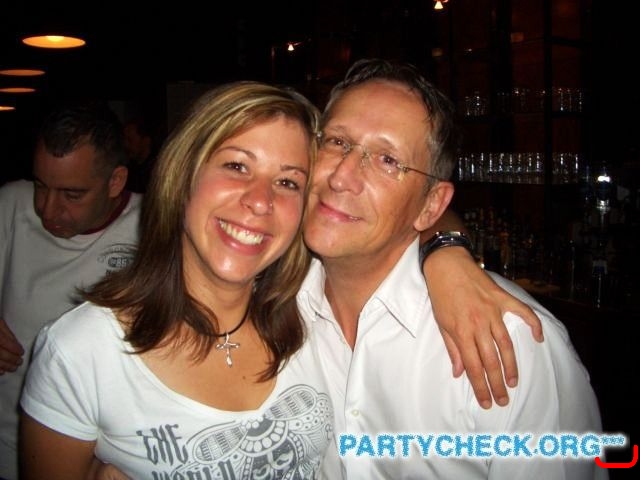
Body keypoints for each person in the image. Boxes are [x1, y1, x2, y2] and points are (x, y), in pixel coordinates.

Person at [18, 81, 541, 479]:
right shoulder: (78, 351)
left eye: (289, 181)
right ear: (184, 174)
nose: (260, 201)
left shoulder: (310, 311)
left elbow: (401, 206)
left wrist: (447, 252)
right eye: (236, 166)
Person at [297, 59, 605, 478]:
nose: (342, 176)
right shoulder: (271, 306)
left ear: (431, 205)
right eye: (336, 141)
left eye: (388, 160)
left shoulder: (514, 343)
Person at [0, 100, 142, 480]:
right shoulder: (9, 204)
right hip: (7, 447)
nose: (48, 209)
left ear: (116, 182)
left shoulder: (152, 226)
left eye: (72, 194)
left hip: (105, 459)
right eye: (41, 186)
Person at [122, 114, 159, 193]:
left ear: (146, 141)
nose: (126, 145)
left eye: (130, 140)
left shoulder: (156, 170)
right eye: (124, 140)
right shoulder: (128, 169)